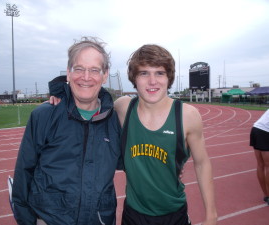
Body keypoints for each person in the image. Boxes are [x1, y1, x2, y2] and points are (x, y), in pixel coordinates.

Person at [49, 44, 217, 225]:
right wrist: (60, 94)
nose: (152, 81)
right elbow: (88, 95)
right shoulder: (123, 107)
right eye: (144, 73)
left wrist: (211, 215)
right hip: (134, 215)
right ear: (134, 78)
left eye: (159, 73)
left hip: (174, 215)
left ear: (169, 77)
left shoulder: (187, 115)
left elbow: (202, 163)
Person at [12, 37, 123, 225]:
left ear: (105, 75)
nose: (86, 77)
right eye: (79, 68)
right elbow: (24, 174)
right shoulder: (44, 116)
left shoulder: (115, 120)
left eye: (94, 70)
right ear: (69, 73)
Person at [250, 109, 269, 205]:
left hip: (255, 129)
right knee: (267, 165)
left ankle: (266, 195)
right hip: (264, 132)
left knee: (260, 165)